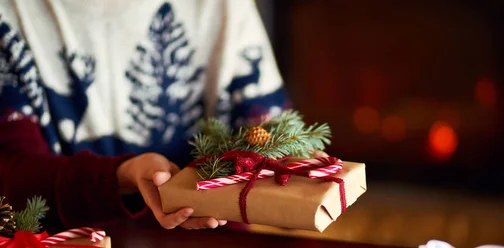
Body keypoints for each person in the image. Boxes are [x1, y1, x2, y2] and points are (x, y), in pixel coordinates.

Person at [0, 0, 290, 230]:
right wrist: (122, 175)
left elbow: (279, 141)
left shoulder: (223, 7)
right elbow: (14, 177)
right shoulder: (11, 14)